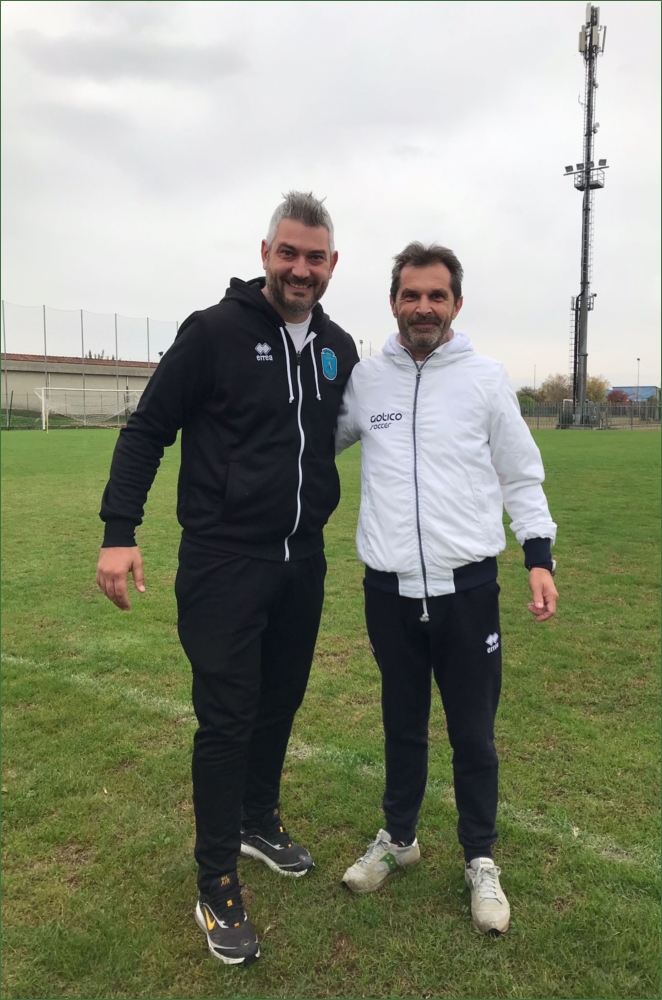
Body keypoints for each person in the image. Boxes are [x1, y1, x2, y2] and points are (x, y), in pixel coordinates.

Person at [96, 192, 359, 965]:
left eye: (315, 257)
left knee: (281, 700)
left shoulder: (338, 346)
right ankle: (215, 880)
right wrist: (119, 533)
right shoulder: (213, 332)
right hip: (224, 562)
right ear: (265, 253)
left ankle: (256, 818)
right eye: (289, 253)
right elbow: (148, 428)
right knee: (228, 717)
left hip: (302, 560)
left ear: (332, 265)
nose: (301, 268)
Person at [335, 242, 558, 936]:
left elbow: (520, 472)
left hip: (468, 591)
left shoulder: (486, 380)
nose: (423, 307)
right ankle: (398, 838)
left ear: (456, 303)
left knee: (473, 734)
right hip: (389, 591)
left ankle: (480, 859)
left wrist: (539, 556)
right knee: (401, 725)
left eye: (436, 295)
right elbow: (313, 443)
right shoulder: (368, 380)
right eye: (411, 295)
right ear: (393, 303)